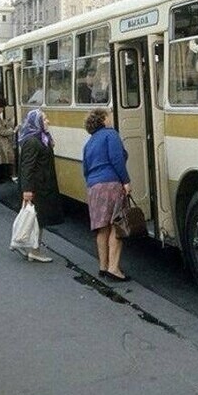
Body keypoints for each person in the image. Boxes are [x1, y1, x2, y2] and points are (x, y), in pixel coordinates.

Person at [82, 108, 131, 282]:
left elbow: (86, 169)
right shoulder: (111, 135)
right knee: (116, 226)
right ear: (103, 119)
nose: (111, 118)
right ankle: (114, 268)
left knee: (102, 228)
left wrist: (92, 184)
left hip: (94, 187)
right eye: (109, 115)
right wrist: (125, 181)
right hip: (111, 183)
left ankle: (103, 266)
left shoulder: (89, 143)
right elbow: (116, 159)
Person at [17, 108, 63, 263]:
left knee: (37, 219)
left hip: (42, 185)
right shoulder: (32, 141)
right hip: (37, 187)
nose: (47, 121)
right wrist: (27, 190)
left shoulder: (41, 138)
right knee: (36, 220)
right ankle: (34, 250)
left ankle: (30, 247)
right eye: (44, 119)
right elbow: (27, 167)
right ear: (36, 122)